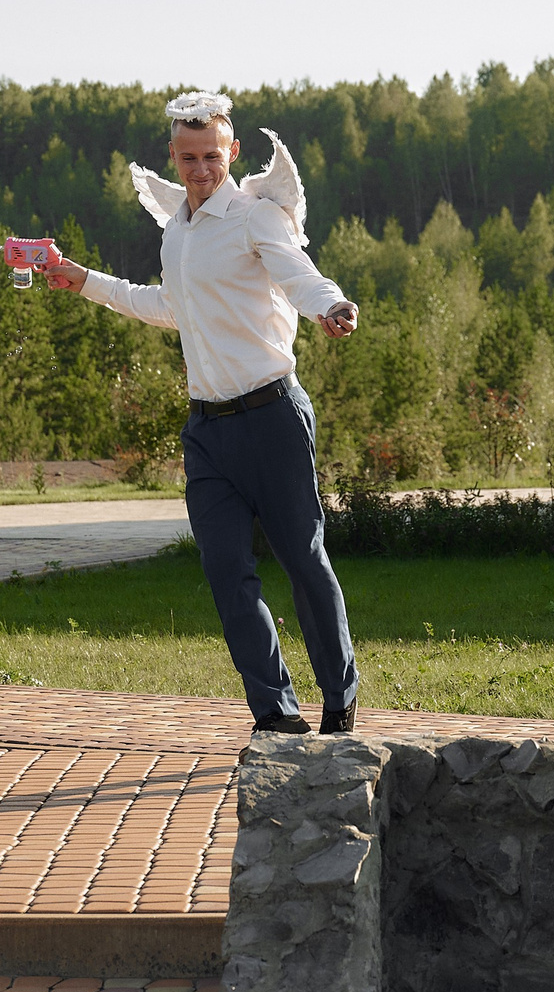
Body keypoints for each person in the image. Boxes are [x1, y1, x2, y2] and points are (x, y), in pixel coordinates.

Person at [35, 90, 359, 735]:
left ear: (232, 152)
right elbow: (168, 306)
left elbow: (298, 273)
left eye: (212, 154)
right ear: (174, 157)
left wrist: (330, 305)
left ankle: (338, 699)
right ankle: (274, 712)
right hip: (207, 429)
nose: (200, 167)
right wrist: (81, 278)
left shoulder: (253, 217)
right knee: (226, 573)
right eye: (188, 157)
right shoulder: (178, 231)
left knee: (302, 557)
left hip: (272, 416)